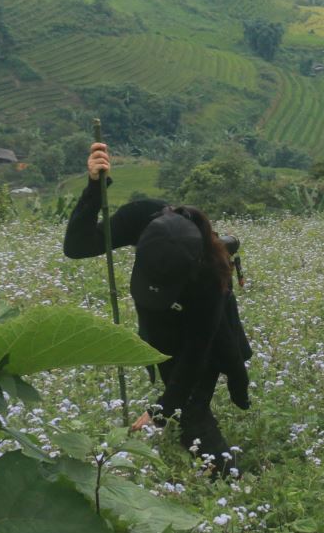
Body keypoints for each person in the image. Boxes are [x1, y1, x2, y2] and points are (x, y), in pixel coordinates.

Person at [63, 141, 252, 472]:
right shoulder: (143, 217)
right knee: (181, 402)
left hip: (200, 332)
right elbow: (77, 246)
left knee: (191, 410)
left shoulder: (209, 275)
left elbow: (196, 353)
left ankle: (228, 477)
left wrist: (160, 411)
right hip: (162, 332)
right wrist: (95, 188)